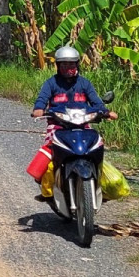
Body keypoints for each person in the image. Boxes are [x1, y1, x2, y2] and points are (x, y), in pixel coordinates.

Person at [30, 46, 115, 199]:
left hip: (82, 124)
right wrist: (39, 109)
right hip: (58, 125)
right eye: (64, 64)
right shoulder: (51, 83)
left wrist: (106, 112)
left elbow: (96, 102)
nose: (68, 68)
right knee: (50, 150)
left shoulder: (84, 83)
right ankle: (48, 186)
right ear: (58, 66)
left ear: (77, 64)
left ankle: (99, 181)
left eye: (72, 64)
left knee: (95, 147)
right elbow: (42, 99)